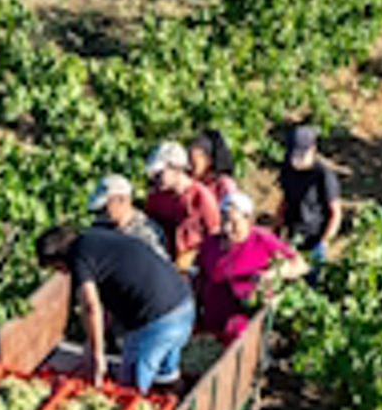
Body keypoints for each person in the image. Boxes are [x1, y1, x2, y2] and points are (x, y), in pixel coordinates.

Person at [36, 223, 195, 393]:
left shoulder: (78, 259)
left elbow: (91, 306)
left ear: (59, 259)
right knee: (165, 377)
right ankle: (180, 403)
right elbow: (107, 299)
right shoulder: (95, 238)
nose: (62, 273)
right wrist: (93, 341)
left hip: (155, 322)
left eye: (57, 268)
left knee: (129, 388)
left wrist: (98, 356)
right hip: (183, 306)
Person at [193, 190, 306, 344]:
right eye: (224, 221)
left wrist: (272, 274)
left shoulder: (262, 240)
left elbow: (299, 265)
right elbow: (199, 279)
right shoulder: (210, 243)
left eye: (234, 222)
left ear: (249, 220)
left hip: (244, 329)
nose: (227, 228)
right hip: (213, 324)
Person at [271, 124, 344, 261]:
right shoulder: (288, 171)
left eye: (301, 155)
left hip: (314, 238)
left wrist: (324, 242)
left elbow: (336, 213)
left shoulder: (323, 175)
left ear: (312, 150)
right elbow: (284, 202)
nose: (296, 160)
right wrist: (275, 233)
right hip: (293, 238)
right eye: (293, 155)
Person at [143, 142, 221, 267]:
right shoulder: (155, 198)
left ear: (177, 170)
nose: (155, 178)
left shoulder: (201, 198)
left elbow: (215, 237)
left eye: (160, 173)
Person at [89, 174, 169, 260]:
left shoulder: (148, 233)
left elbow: (160, 266)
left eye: (106, 205)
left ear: (122, 200)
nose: (103, 211)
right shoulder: (102, 227)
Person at [188, 131, 239, 205]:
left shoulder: (223, 184)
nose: (190, 166)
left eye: (194, 164)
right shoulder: (189, 182)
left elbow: (231, 209)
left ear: (208, 160)